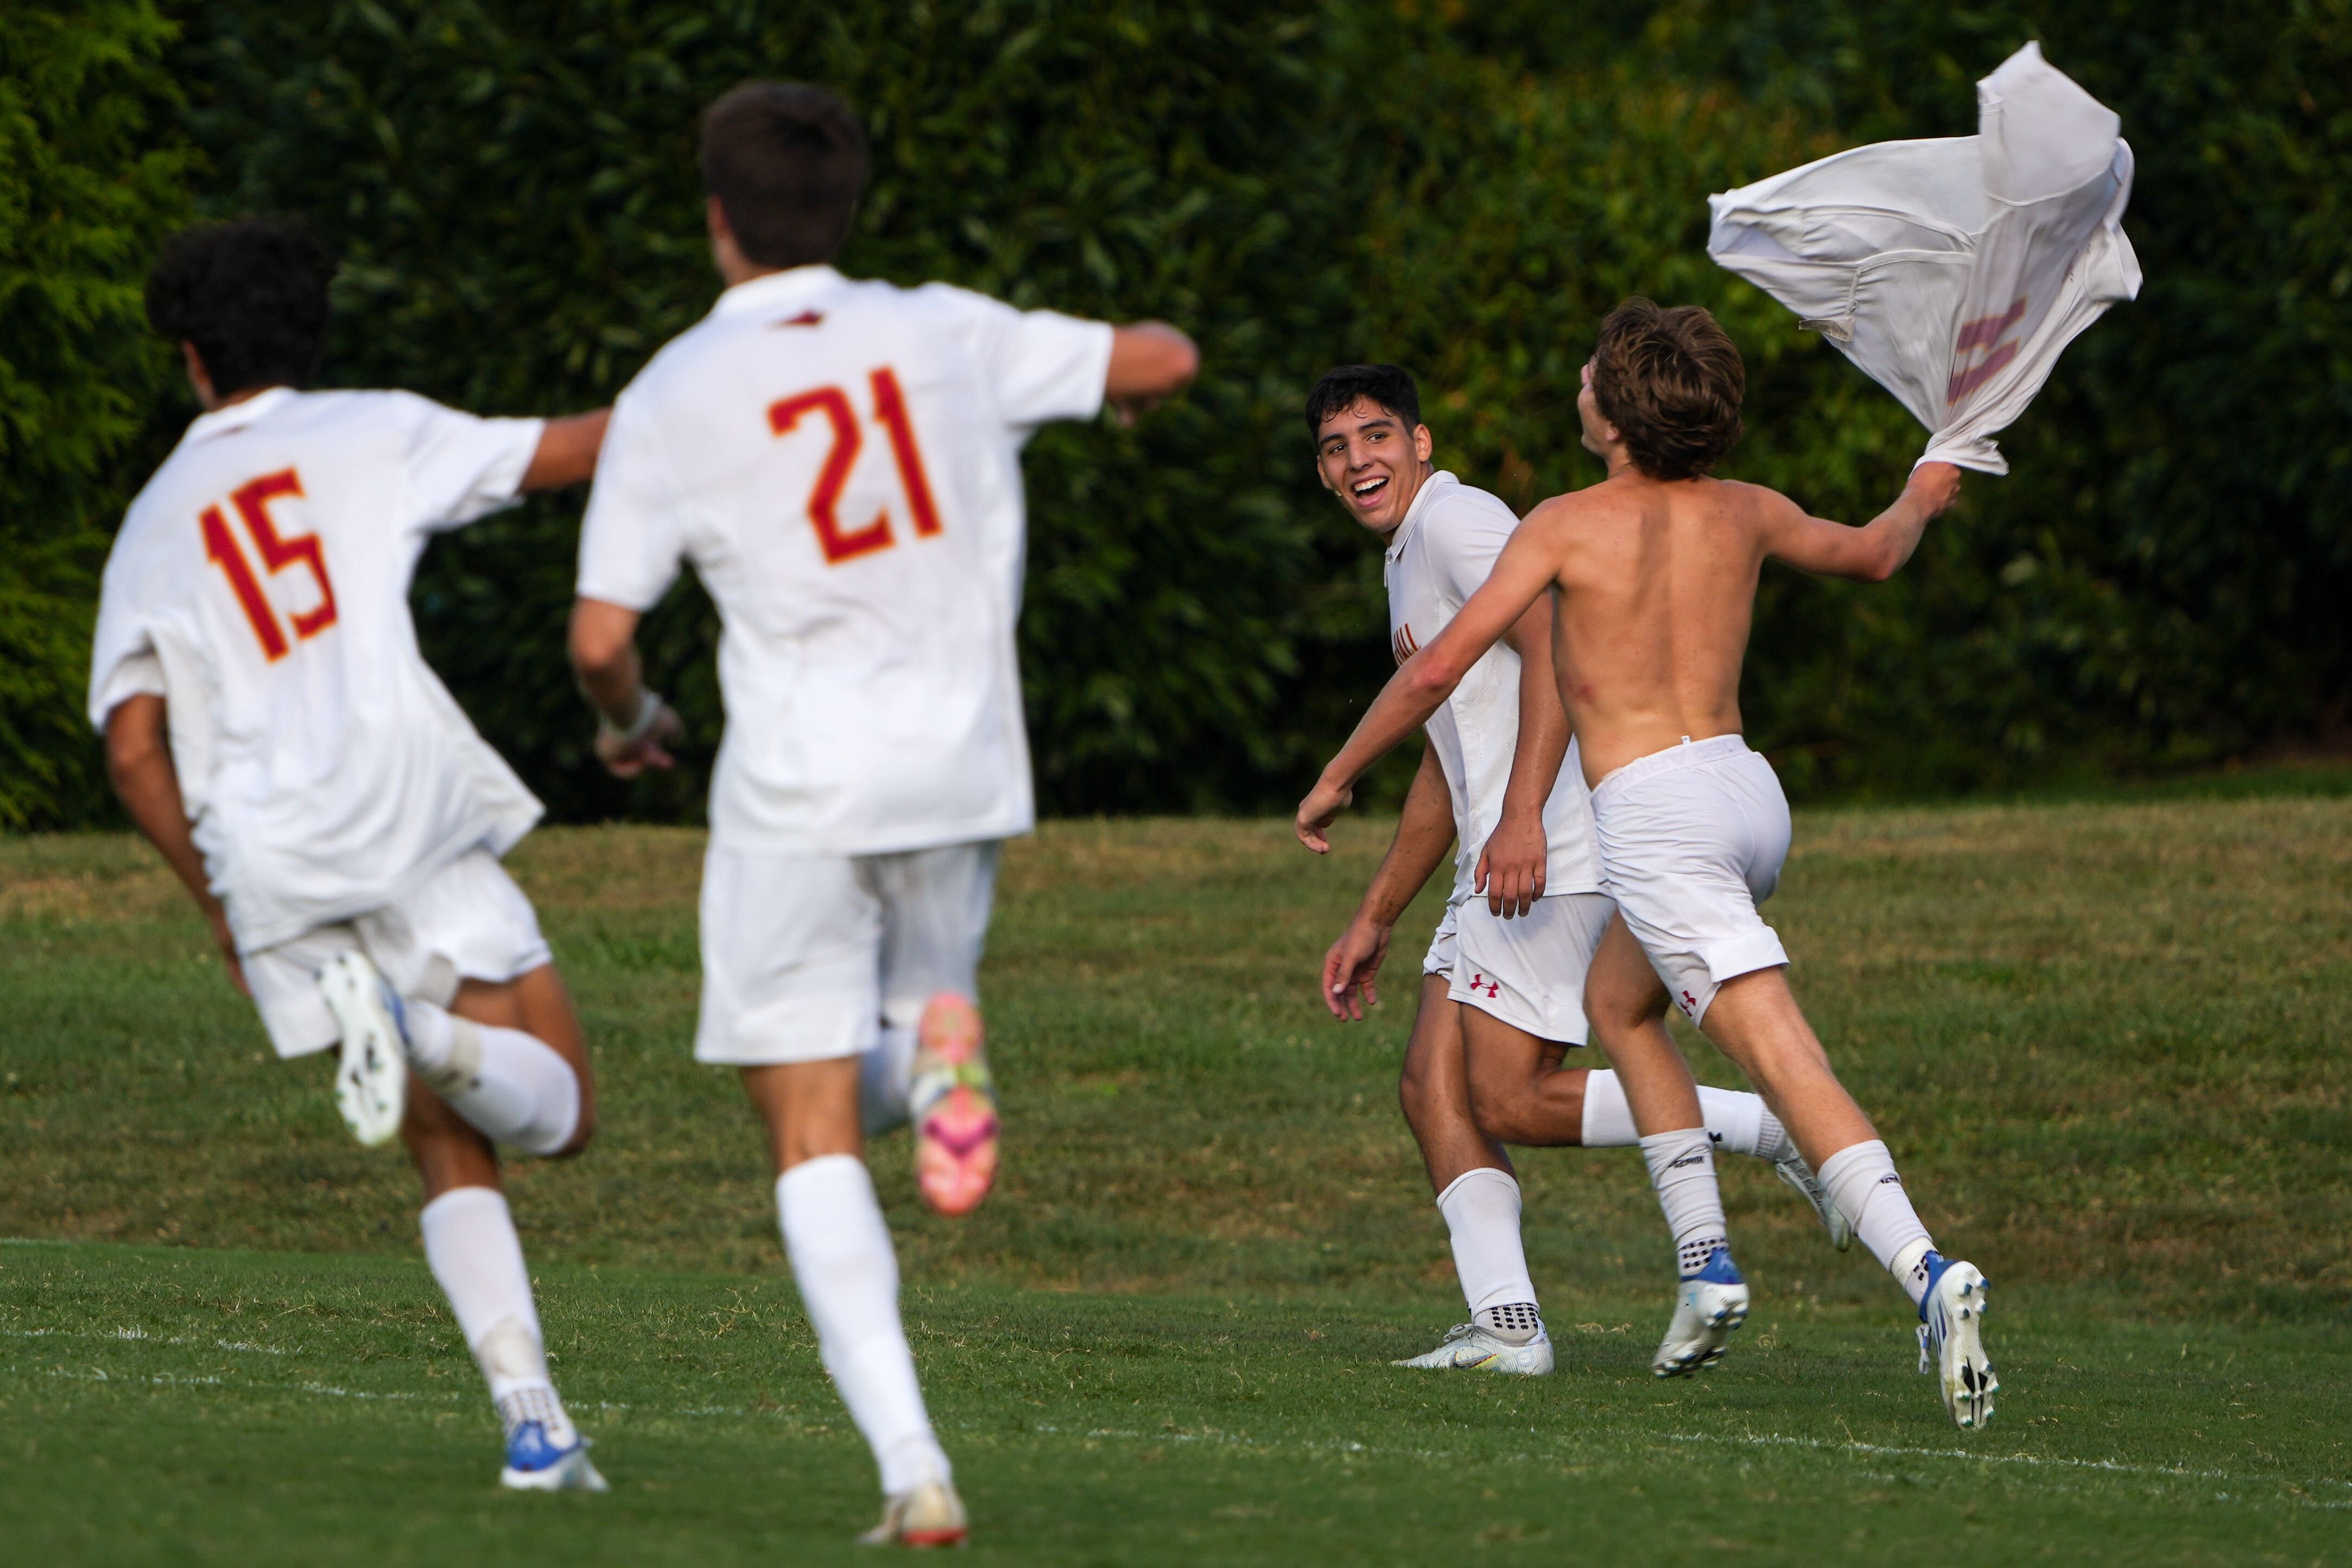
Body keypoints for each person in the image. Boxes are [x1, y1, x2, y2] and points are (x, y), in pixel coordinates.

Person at [568, 82, 1200, 1546]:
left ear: (716, 218)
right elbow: (1161, 356)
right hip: (963, 764)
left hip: (797, 779)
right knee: (920, 1001)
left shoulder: (674, 388)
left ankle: (913, 1469)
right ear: (845, 206)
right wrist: (1087, 389)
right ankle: (934, 1046)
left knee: (799, 1128)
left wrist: (631, 725)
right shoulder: (940, 329)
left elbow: (601, 636)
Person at [1294, 300, 1995, 1430]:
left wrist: (1337, 774)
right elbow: (1872, 554)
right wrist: (1925, 484)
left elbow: (1441, 681)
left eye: (1586, 375)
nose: (1575, 383)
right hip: (1744, 789)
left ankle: (1924, 1268)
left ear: (1613, 412)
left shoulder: (1551, 524)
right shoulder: (1746, 508)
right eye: (1335, 445)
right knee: (1614, 1010)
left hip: (1652, 815)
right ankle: (1698, 1264)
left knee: (1779, 1056)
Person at [90, 218, 617, 1488]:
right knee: (565, 1111)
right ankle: (421, 1028)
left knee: (445, 1142)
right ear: (307, 337)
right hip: (398, 809)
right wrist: (702, 408)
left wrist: (220, 906)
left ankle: (532, 1419)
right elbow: (566, 451)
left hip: (268, 858)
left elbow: (131, 746)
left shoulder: (154, 516)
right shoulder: (374, 428)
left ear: (191, 356)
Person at [1307, 365, 1848, 1377]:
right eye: (1336, 449)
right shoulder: (1411, 551)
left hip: (1549, 848)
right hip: (1504, 852)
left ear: (1420, 443)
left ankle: (1772, 1125)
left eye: (1376, 436)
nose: (1357, 461)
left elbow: (1558, 641)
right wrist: (1377, 911)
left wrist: (1517, 820)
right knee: (1432, 1086)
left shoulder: (1455, 522)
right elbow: (1445, 750)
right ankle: (1508, 1329)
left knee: (1506, 1097)